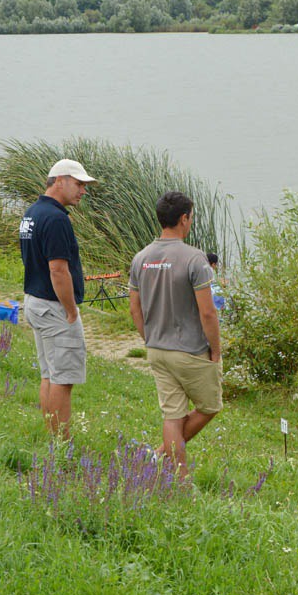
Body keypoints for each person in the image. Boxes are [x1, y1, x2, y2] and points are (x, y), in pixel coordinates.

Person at [129, 191, 223, 476]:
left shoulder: (141, 257)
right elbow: (208, 313)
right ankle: (164, 456)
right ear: (184, 219)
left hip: (157, 348)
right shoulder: (195, 259)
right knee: (210, 406)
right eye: (191, 217)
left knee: (172, 415)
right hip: (190, 351)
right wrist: (215, 349)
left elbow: (135, 308)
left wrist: (149, 338)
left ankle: (175, 473)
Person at [19, 158, 96, 438]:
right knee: (63, 379)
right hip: (54, 307)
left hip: (35, 300)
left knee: (49, 374)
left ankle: (53, 436)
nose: (83, 191)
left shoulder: (32, 213)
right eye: (79, 184)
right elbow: (58, 269)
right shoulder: (56, 219)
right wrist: (71, 310)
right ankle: (61, 443)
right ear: (59, 180)